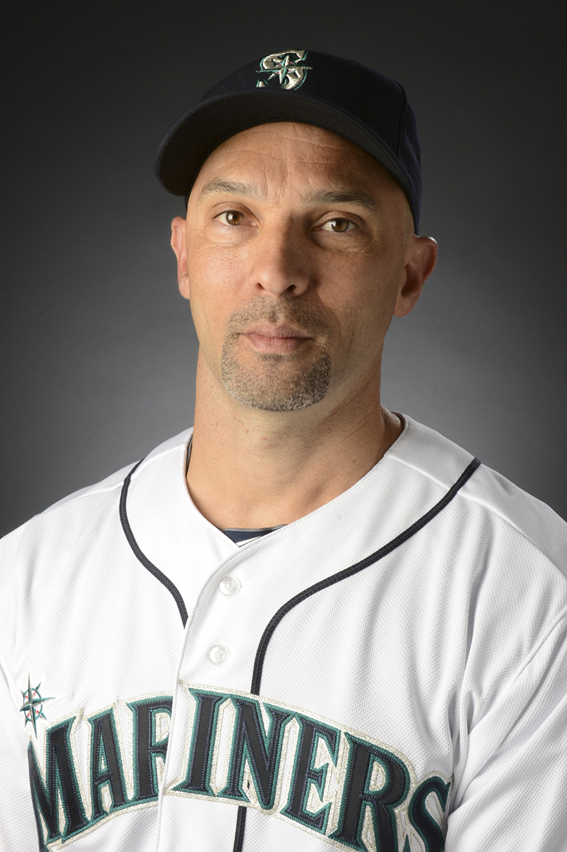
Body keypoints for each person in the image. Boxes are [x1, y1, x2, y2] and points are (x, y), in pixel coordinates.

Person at [1, 49, 565, 852]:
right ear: (184, 256)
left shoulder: (529, 597)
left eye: (336, 225)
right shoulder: (27, 578)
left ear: (410, 275)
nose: (276, 271)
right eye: (234, 217)